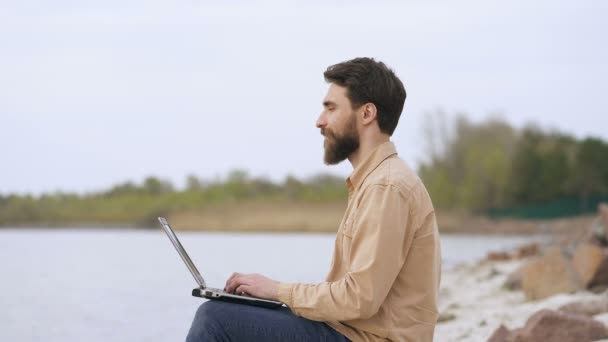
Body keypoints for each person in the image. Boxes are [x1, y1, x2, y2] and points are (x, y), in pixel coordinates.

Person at [186, 57, 442, 342]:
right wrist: (273, 298)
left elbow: (360, 298)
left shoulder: (387, 187)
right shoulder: (375, 182)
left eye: (331, 108)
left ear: (367, 113)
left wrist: (277, 290)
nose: (320, 121)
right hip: (349, 332)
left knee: (216, 318)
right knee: (233, 311)